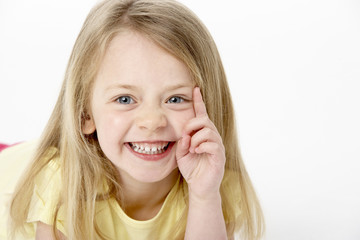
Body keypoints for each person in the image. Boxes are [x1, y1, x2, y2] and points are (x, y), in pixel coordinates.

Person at [2, 0, 264, 239]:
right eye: (125, 99)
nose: (152, 121)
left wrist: (204, 196)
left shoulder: (213, 184)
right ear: (85, 113)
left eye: (175, 99)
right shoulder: (60, 182)